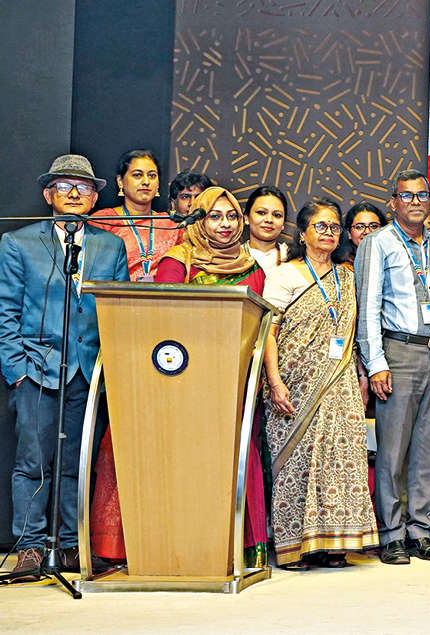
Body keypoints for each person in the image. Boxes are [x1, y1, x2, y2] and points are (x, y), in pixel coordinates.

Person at [1, 155, 129, 582]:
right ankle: (30, 547)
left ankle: (73, 546)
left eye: (83, 187)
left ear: (94, 199)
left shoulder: (110, 246)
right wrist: (17, 370)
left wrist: (109, 371)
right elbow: (5, 312)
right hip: (36, 369)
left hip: (87, 373)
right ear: (48, 195)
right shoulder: (19, 243)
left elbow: (118, 311)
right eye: (63, 186)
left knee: (78, 462)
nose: (74, 193)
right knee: (32, 462)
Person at [149, 185, 272, 564]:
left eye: (232, 216)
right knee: (195, 460)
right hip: (188, 381)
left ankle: (244, 546)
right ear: (198, 221)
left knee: (239, 455)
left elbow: (260, 326)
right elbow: (163, 322)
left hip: (238, 381)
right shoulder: (179, 262)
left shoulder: (251, 268)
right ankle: (194, 547)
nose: (225, 224)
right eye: (214, 216)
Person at [260, 198, 378, 569]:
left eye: (334, 227)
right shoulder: (285, 275)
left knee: (341, 461)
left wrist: (361, 377)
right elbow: (267, 333)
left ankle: (335, 542)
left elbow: (354, 334)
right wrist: (275, 382)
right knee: (295, 463)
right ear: (303, 233)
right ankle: (294, 547)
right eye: (320, 226)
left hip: (341, 382)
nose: (329, 233)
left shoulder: (347, 276)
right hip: (293, 383)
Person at [355, 169, 430, 565]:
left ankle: (420, 530)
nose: (415, 202)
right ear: (393, 202)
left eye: (422, 195)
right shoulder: (378, 243)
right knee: (393, 450)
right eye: (407, 196)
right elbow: (368, 306)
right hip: (399, 352)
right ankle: (392, 533)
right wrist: (375, 362)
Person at [87, 150, 175, 281]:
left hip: (164, 293)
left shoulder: (170, 225)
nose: (146, 181)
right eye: (137, 175)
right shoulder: (103, 221)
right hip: (114, 292)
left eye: (152, 176)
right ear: (120, 181)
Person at [246, 185, 291, 270]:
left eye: (277, 215)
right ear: (246, 218)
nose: (269, 220)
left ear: (283, 223)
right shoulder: (232, 258)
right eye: (261, 213)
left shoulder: (293, 258)